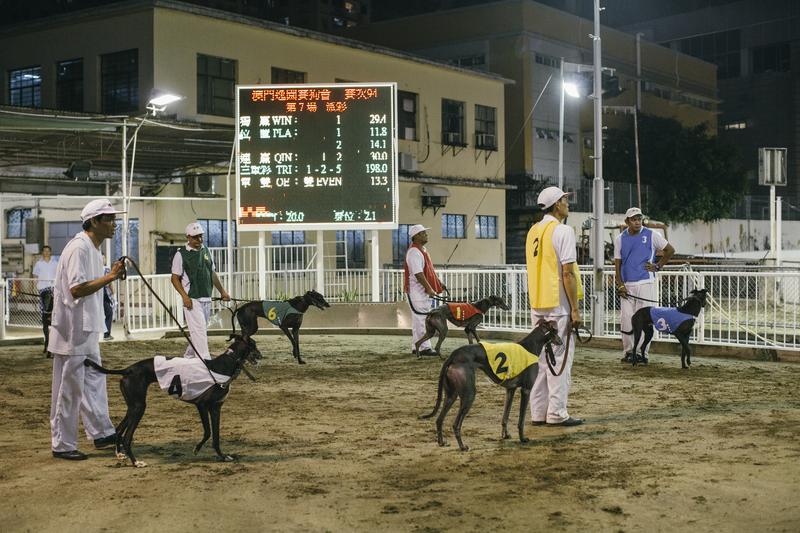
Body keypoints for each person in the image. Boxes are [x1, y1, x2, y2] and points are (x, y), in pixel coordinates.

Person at [49, 198, 126, 461]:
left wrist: (110, 275)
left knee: (94, 383)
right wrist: (111, 276)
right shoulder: (79, 248)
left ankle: (102, 432)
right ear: (94, 221)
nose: (114, 224)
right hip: (73, 331)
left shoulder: (94, 249)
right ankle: (62, 444)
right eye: (109, 219)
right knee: (69, 389)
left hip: (89, 328)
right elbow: (77, 288)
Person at [525, 186, 583, 426]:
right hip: (558, 305)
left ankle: (538, 413)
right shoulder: (563, 231)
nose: (567, 203)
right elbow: (567, 273)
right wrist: (576, 309)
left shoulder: (533, 231)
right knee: (559, 360)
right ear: (556, 205)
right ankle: (557, 413)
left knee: (540, 361)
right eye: (564, 200)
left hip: (538, 304)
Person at [614, 207, 675, 363]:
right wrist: (620, 284)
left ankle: (642, 353)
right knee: (626, 319)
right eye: (634, 219)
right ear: (627, 221)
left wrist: (658, 266)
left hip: (646, 282)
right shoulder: (620, 238)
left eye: (639, 219)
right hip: (627, 284)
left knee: (645, 320)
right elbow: (618, 264)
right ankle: (628, 352)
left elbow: (669, 250)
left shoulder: (652, 234)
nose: (637, 222)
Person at [170, 222, 230, 360]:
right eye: (196, 237)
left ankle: (188, 358)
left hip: (206, 298)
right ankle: (205, 361)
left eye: (201, 236)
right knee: (200, 332)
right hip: (192, 299)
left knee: (198, 332)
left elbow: (212, 273)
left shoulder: (206, 251)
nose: (200, 240)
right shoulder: (181, 255)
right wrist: (185, 297)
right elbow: (174, 279)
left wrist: (223, 292)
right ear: (188, 237)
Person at [404, 224, 445, 356]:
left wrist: (438, 283)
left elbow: (429, 271)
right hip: (417, 292)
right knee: (421, 319)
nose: (426, 235)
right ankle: (424, 348)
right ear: (415, 236)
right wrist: (429, 288)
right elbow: (418, 274)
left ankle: (417, 346)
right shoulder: (414, 252)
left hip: (421, 292)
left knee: (420, 319)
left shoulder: (422, 250)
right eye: (423, 233)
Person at [32, 245, 57, 355]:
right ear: (42, 252)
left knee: (53, 321)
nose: (46, 253)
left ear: (50, 252)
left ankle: (52, 345)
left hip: (53, 293)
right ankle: (47, 344)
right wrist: (34, 291)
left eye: (48, 251)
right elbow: (35, 279)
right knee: (45, 322)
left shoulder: (55, 263)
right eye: (44, 251)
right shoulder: (38, 264)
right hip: (42, 292)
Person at [102, 260, 115, 341]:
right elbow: (109, 281)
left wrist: (112, 292)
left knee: (108, 312)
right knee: (109, 312)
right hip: (103, 293)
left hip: (101, 293)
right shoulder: (106, 269)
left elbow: (110, 282)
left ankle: (106, 333)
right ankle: (106, 334)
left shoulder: (93, 268)